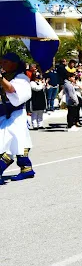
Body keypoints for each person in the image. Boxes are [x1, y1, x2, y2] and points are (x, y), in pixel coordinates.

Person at [0, 53, 36, 183]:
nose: (2, 64)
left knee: (8, 143)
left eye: (5, 62)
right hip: (3, 114)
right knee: (19, 143)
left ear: (14, 63)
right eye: (1, 62)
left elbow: (13, 91)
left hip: (16, 115)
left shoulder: (21, 78)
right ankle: (26, 169)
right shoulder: (7, 76)